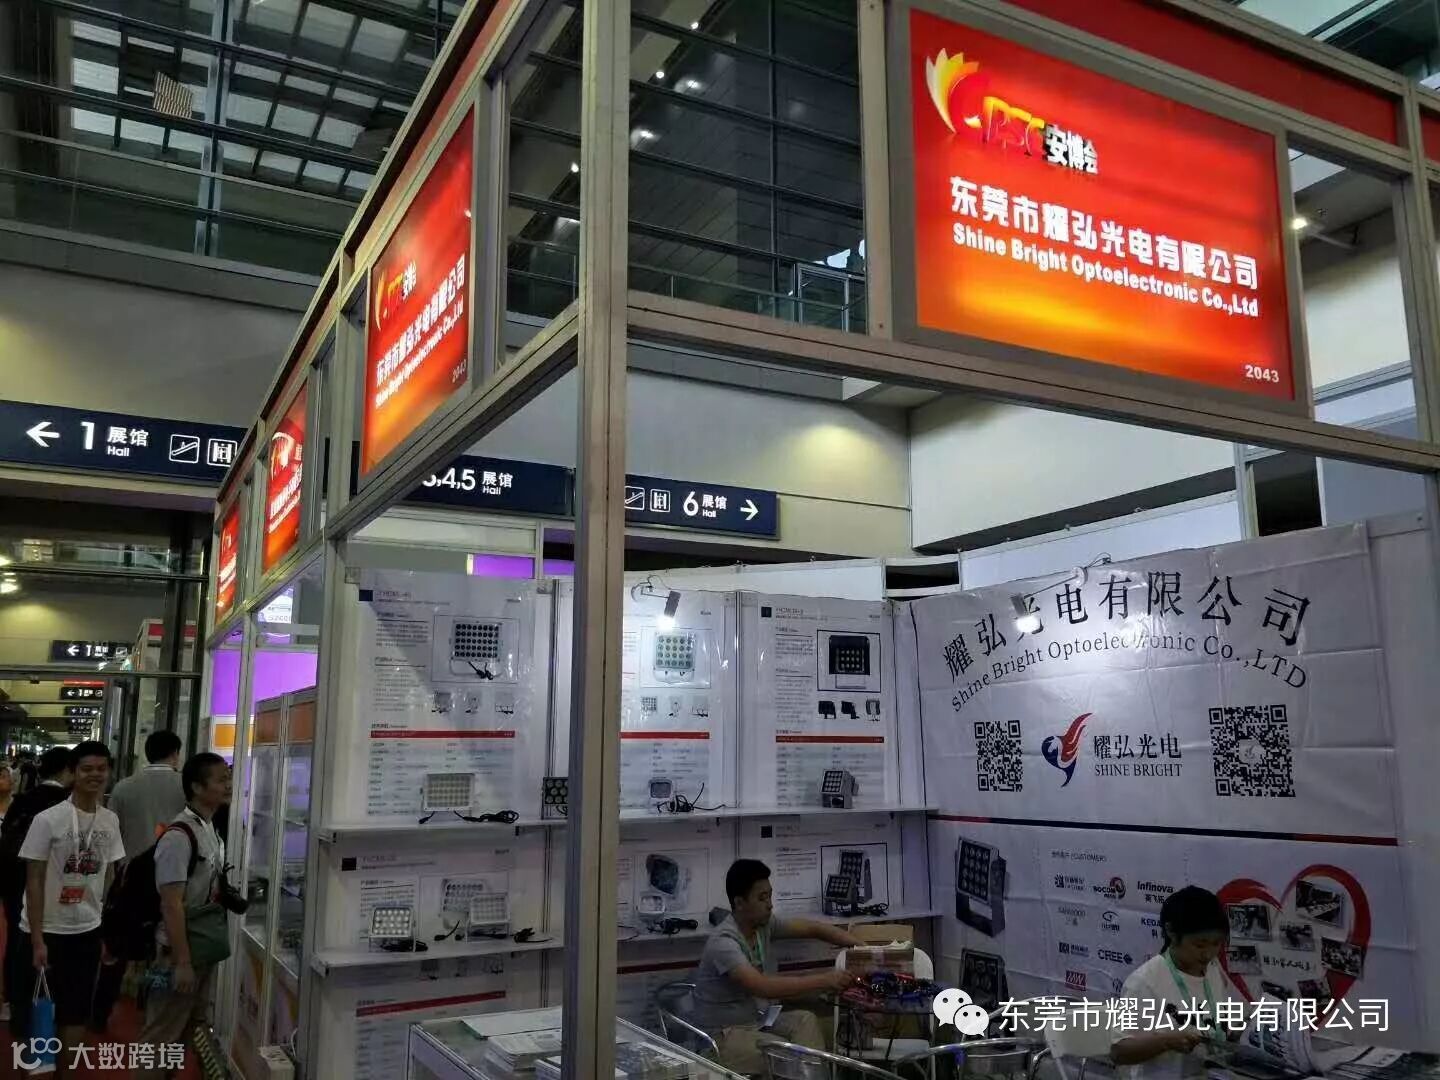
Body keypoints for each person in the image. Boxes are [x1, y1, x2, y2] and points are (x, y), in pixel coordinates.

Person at [693, 859, 864, 1075]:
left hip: (755, 1021)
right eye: (762, 898)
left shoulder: (763, 925)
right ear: (739, 903)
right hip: (721, 1037)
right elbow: (762, 987)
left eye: (770, 896)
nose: (770, 904)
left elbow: (813, 928)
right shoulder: (724, 943)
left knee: (806, 1021)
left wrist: (862, 947)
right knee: (787, 1054)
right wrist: (825, 980)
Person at [18, 742, 124, 1076]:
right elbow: (34, 880)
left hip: (86, 932)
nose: (95, 775)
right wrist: (37, 939)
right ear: (73, 773)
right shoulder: (48, 820)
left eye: (101, 769)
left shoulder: (110, 821)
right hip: (45, 931)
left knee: (75, 1014)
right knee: (37, 1018)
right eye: (87, 769)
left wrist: (102, 926)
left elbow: (110, 875)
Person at [134, 753, 233, 1080]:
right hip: (176, 951)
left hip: (201, 947)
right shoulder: (179, 836)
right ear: (197, 787)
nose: (228, 785)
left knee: (185, 1031)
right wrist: (182, 962)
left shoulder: (209, 828)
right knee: (160, 1035)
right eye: (221, 779)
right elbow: (171, 904)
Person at [93, 731, 186, 1031]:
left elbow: (111, 834)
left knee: (117, 948)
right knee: (163, 946)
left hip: (131, 879)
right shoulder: (185, 786)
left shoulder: (124, 787)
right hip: (173, 878)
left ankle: (99, 1014)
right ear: (175, 753)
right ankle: (152, 1014)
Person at [1111, 886, 1245, 1079]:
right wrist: (1166, 1041)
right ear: (1171, 932)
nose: (1208, 954)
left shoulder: (1212, 970)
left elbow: (1219, 1025)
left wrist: (1239, 1033)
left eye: (1216, 944)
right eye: (1199, 945)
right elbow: (1119, 1052)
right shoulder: (1145, 982)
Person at [0, 746, 73, 1039]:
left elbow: (6, 842)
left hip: (15, 881)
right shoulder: (68, 804)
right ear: (68, 770)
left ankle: (13, 1002)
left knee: (17, 940)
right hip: (53, 886)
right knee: (52, 941)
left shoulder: (22, 801)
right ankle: (49, 1003)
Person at [109, 731, 185, 863]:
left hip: (132, 866)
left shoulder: (123, 787)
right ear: (175, 754)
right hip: (176, 864)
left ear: (147, 754)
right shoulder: (188, 786)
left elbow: (111, 831)